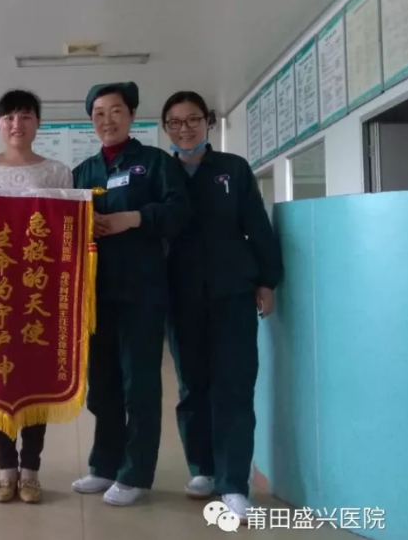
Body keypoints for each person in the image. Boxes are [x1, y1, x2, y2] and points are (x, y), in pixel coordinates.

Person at [161, 91, 283, 522]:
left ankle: (233, 483)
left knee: (234, 385)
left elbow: (257, 226)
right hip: (180, 295)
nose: (185, 129)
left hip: (232, 293)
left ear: (208, 121)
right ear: (166, 128)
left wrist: (267, 280)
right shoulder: (162, 172)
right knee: (192, 385)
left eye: (193, 119)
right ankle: (203, 469)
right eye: (175, 122)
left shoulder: (233, 169)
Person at [71, 82, 191, 506]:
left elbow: (180, 212)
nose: (108, 120)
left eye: (116, 111)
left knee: (138, 384)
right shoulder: (83, 172)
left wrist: (135, 218)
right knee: (102, 384)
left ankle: (135, 473)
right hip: (96, 293)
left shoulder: (155, 163)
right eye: (99, 113)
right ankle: (104, 465)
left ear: (132, 115)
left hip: (142, 291)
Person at [0, 89, 73, 505]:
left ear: (37, 124)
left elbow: (67, 232)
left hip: (40, 289)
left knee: (36, 374)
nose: (17, 124)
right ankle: (5, 467)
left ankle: (31, 469)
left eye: (25, 117)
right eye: (9, 117)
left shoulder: (57, 173)